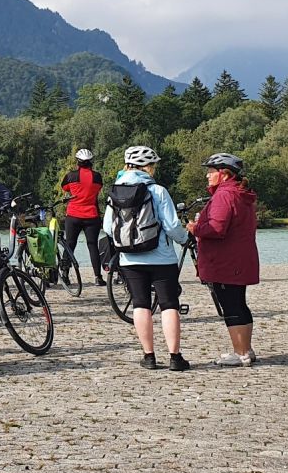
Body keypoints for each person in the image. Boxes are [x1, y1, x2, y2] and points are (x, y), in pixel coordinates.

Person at [103, 145, 192, 371]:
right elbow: (172, 226)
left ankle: (149, 356)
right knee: (169, 305)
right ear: (149, 167)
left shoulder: (115, 191)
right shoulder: (158, 190)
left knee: (141, 305)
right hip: (161, 257)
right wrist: (185, 238)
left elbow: (106, 226)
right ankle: (175, 357)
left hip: (130, 259)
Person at [187, 153, 260, 367]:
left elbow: (216, 227)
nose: (207, 176)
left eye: (211, 171)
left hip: (226, 260)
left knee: (230, 306)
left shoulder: (224, 195)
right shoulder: (240, 193)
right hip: (240, 257)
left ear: (224, 174)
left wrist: (195, 228)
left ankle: (240, 353)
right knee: (239, 303)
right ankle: (246, 348)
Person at [60, 147, 106, 285]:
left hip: (73, 214)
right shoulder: (97, 177)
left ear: (78, 162)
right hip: (92, 215)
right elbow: (97, 190)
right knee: (93, 246)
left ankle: (65, 275)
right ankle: (98, 277)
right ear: (91, 161)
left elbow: (65, 188)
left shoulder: (70, 176)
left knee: (70, 244)